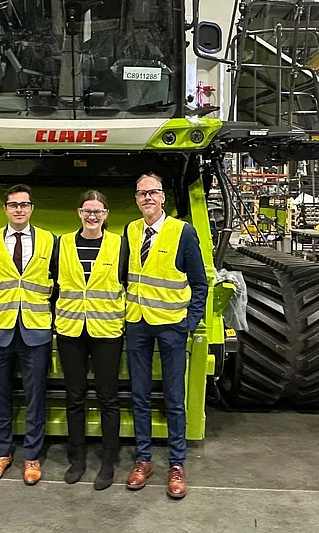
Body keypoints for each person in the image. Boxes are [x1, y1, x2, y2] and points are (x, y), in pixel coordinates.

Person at [123, 173, 208, 499]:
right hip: (137, 322)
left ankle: (176, 463)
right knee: (140, 395)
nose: (147, 198)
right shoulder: (131, 231)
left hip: (172, 325)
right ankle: (143, 459)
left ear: (163, 197)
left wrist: (189, 322)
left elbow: (199, 282)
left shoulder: (183, 232)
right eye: (142, 193)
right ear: (137, 198)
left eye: (153, 192)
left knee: (174, 398)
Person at [0, 184, 56, 486]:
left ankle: (32, 457)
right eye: (13, 205)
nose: (19, 210)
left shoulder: (49, 242)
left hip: (35, 331)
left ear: (31, 209)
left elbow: (60, 281)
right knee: (0, 396)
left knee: (35, 397)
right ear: (5, 210)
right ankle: (1, 454)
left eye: (24, 204)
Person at [55, 190, 125, 491]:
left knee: (108, 397)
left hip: (106, 331)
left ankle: (108, 460)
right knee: (75, 396)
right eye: (87, 211)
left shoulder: (120, 246)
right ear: (79, 213)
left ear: (106, 214)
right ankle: (78, 456)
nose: (92, 216)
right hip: (71, 330)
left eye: (98, 211)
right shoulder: (63, 244)